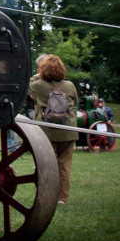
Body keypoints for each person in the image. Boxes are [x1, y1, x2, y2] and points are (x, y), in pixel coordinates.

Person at [28, 54, 79, 205]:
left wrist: (37, 76)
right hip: (68, 130)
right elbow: (75, 101)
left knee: (45, 166)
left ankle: (46, 196)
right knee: (64, 166)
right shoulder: (69, 85)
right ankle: (62, 198)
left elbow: (28, 89)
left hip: (46, 132)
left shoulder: (39, 85)